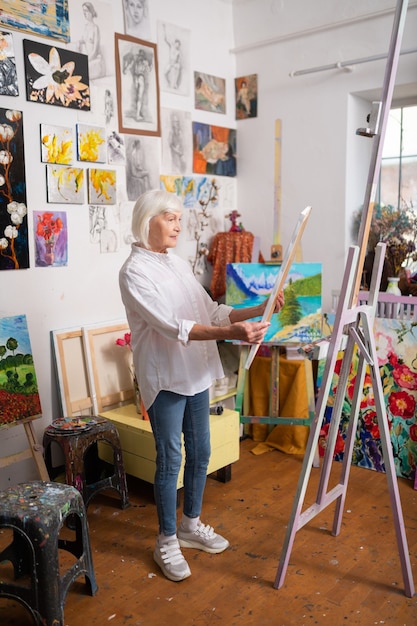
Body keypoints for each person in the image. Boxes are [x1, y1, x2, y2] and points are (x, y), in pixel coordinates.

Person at [119, 189, 285, 582]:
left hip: (194, 372)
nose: (178, 225)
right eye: (170, 218)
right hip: (164, 376)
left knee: (202, 451)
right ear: (148, 221)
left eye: (179, 218)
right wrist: (231, 331)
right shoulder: (134, 272)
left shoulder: (175, 265)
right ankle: (166, 539)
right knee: (171, 458)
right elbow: (170, 326)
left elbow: (212, 310)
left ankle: (191, 525)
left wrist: (259, 308)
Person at [78, 2, 104, 80]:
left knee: (84, 71)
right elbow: (81, 43)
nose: (84, 13)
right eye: (83, 11)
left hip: (95, 60)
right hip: (87, 60)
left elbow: (95, 51)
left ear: (91, 12)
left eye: (86, 11)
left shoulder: (95, 28)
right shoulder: (85, 27)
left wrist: (86, 60)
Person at [163, 24, 182, 90]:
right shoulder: (171, 47)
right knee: (165, 73)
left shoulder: (178, 52)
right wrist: (164, 29)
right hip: (170, 63)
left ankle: (175, 84)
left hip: (174, 64)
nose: (177, 46)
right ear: (175, 43)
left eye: (178, 45)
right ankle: (168, 83)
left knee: (178, 68)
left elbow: (178, 60)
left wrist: (175, 64)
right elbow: (165, 39)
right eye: (176, 44)